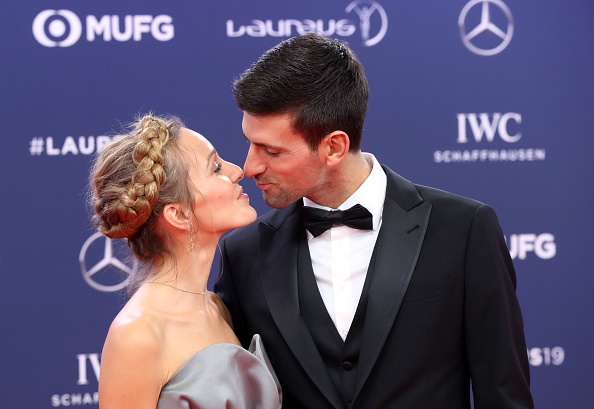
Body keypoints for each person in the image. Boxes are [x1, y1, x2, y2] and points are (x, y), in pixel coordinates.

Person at [214, 33, 534, 408]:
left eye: (272, 150)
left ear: (334, 146)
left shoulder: (464, 230)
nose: (251, 166)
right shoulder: (244, 252)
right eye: (251, 143)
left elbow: (504, 394)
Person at [89, 113, 282, 409]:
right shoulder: (137, 335)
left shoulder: (218, 308)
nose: (237, 171)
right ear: (178, 214)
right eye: (215, 167)